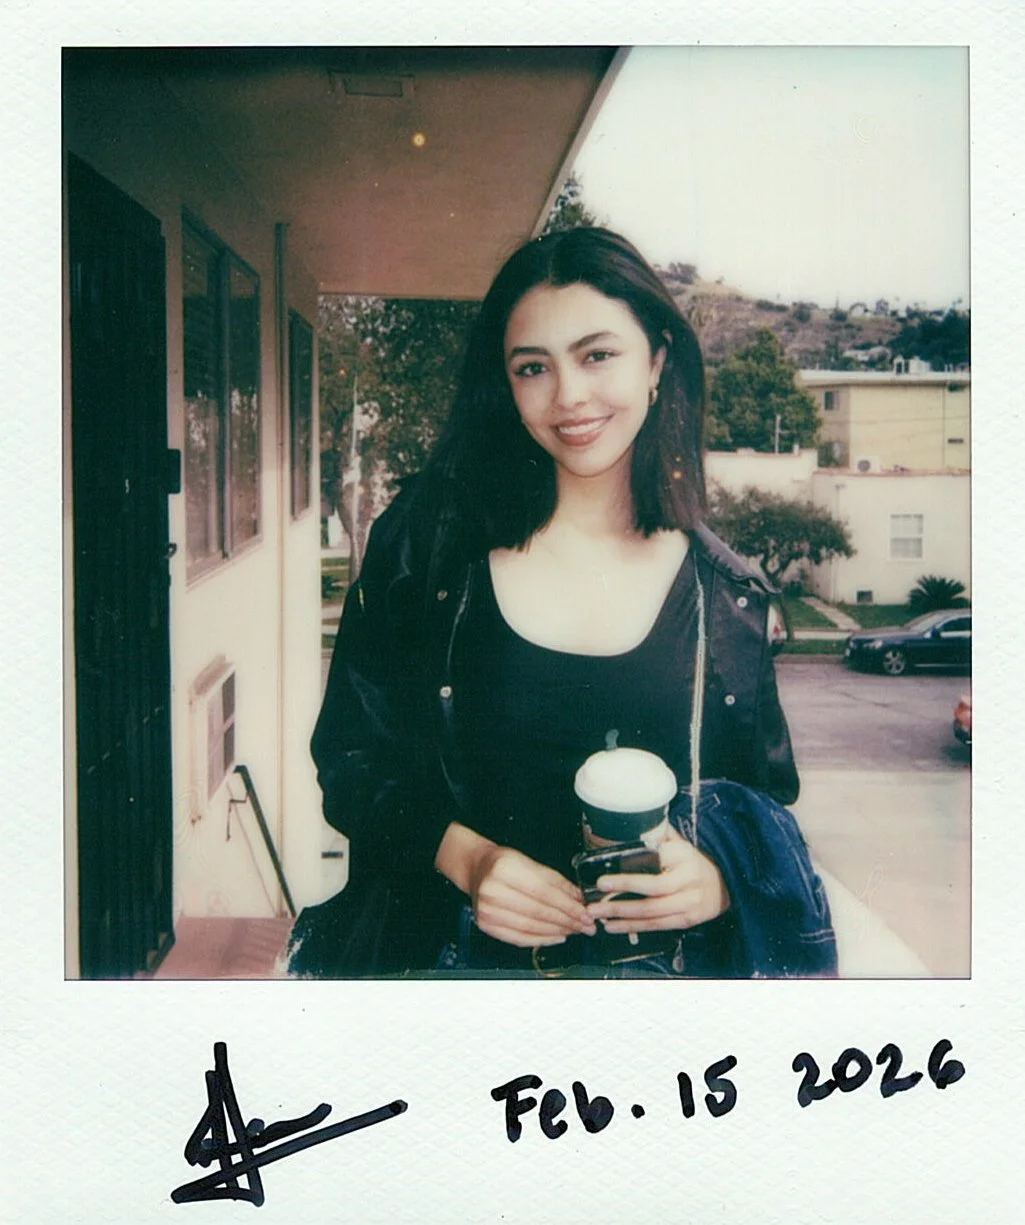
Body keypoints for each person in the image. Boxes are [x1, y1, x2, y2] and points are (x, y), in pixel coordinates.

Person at [289, 227, 835, 979]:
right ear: (505, 385)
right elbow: (350, 759)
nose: (568, 395)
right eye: (532, 367)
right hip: (456, 992)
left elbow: (765, 804)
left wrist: (715, 882)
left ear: (657, 361)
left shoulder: (727, 595)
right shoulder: (426, 548)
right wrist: (467, 857)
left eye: (596, 354)